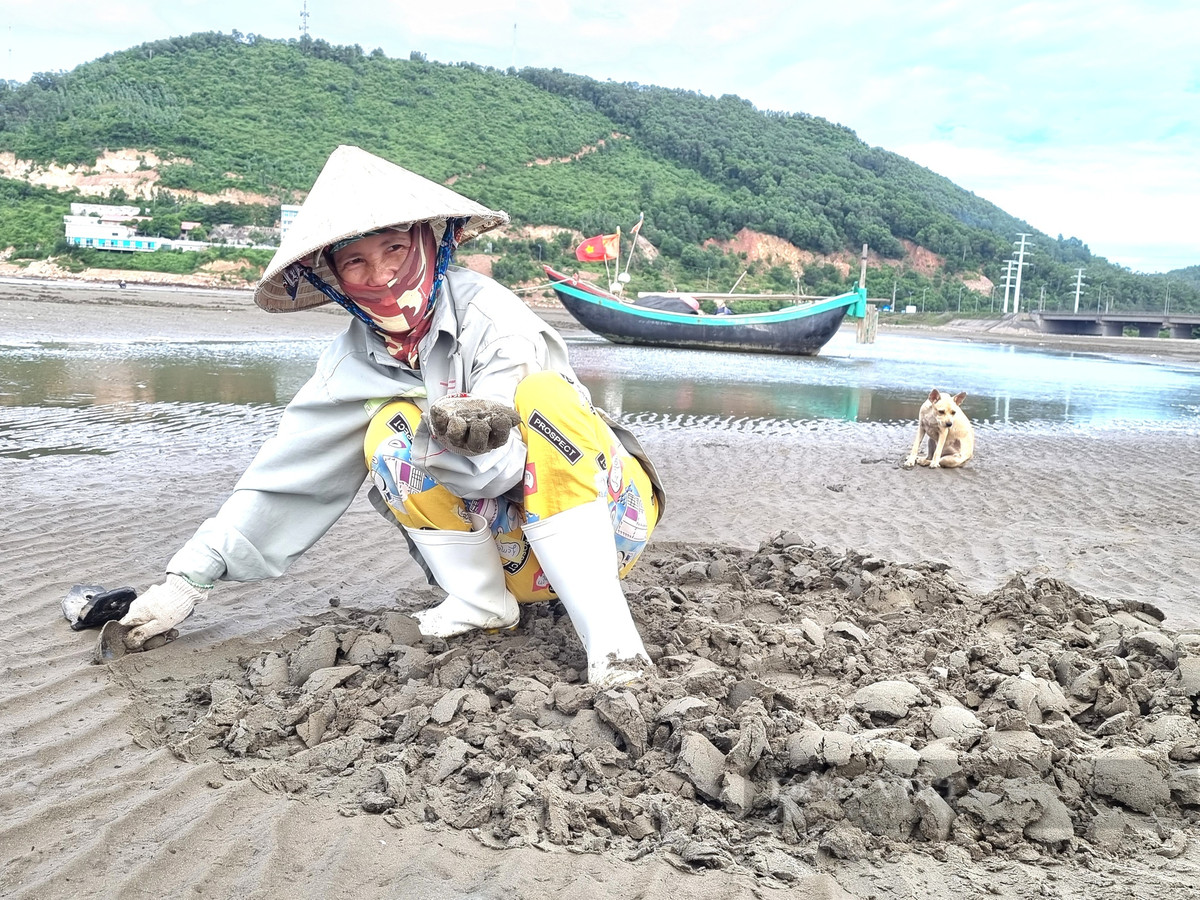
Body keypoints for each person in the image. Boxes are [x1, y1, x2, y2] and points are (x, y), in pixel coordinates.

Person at [116, 145, 666, 687]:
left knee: (547, 396)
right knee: (389, 429)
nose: (379, 275)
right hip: (516, 562)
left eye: (395, 249)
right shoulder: (353, 361)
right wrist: (186, 582)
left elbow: (502, 471)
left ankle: (613, 643)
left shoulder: (493, 316)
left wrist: (481, 431)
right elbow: (288, 476)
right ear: (334, 278)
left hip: (608, 530)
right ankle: (481, 602)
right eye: (355, 261)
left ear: (431, 244)